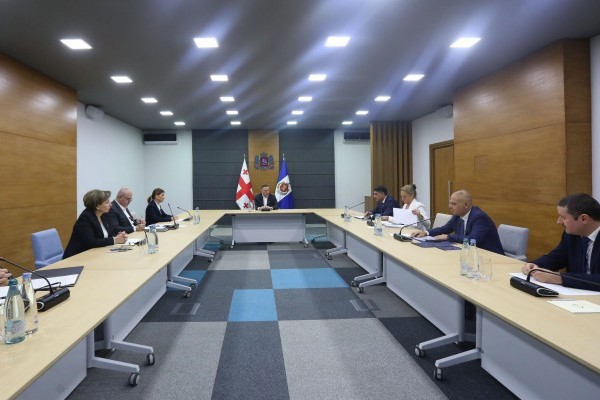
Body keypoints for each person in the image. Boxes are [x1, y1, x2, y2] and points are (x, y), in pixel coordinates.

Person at [522, 193, 600, 291]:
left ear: (584, 219)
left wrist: (559, 278)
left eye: (563, 217)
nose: (558, 221)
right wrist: (533, 266)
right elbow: (556, 257)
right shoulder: (572, 235)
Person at [413, 189, 504, 254]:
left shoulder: (479, 218)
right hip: (470, 254)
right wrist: (426, 232)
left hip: (491, 257)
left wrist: (448, 237)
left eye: (453, 204)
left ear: (466, 205)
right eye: (450, 203)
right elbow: (444, 229)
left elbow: (472, 240)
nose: (449, 206)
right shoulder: (458, 216)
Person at [63, 190, 128, 259]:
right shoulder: (85, 218)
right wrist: (115, 240)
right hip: (77, 257)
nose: (111, 204)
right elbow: (91, 242)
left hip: (95, 254)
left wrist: (118, 236)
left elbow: (107, 234)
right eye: (107, 202)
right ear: (97, 206)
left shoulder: (103, 215)